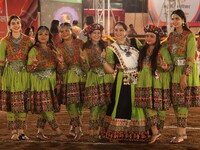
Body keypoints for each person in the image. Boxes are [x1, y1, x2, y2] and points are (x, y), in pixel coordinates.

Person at [100, 22, 148, 142]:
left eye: (121, 30)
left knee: (137, 103)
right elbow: (110, 70)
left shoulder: (135, 42)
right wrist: (103, 61)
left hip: (137, 78)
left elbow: (144, 57)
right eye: (116, 30)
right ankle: (118, 133)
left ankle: (138, 132)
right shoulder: (111, 48)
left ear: (126, 31)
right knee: (122, 103)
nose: (118, 33)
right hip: (122, 78)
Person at [27, 26, 66, 140]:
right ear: (37, 36)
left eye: (45, 34)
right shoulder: (34, 50)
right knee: (47, 107)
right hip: (39, 82)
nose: (43, 36)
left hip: (51, 82)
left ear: (49, 36)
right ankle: (58, 131)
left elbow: (61, 70)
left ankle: (40, 131)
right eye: (40, 34)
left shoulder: (54, 50)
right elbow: (29, 68)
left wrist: (61, 62)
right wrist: (34, 64)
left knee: (44, 108)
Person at [135, 24, 173, 144]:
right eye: (147, 36)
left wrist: (165, 66)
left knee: (160, 109)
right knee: (147, 107)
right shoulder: (143, 50)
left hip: (159, 83)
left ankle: (157, 131)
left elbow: (171, 66)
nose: (148, 38)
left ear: (157, 38)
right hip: (144, 82)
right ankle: (155, 131)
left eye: (151, 36)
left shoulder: (162, 50)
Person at [167, 9, 200, 143]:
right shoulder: (171, 36)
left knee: (182, 104)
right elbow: (166, 52)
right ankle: (182, 133)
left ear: (183, 20)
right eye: (173, 19)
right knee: (176, 103)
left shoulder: (189, 36)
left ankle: (180, 134)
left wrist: (184, 75)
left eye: (177, 19)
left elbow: (191, 57)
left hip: (185, 72)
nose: (174, 21)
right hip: (174, 71)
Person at [0, 15, 32, 140]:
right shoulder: (4, 41)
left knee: (24, 103)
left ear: (21, 25)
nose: (16, 25)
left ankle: (22, 131)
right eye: (13, 23)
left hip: (24, 74)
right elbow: (1, 62)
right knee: (12, 103)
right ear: (9, 26)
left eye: (17, 23)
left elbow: (32, 57)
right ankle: (14, 131)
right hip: (10, 74)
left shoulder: (29, 40)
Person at [83, 23, 114, 141]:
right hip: (93, 79)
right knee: (94, 107)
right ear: (90, 35)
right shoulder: (85, 48)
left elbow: (111, 64)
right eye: (94, 33)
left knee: (104, 107)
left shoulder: (107, 46)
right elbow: (85, 69)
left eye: (98, 33)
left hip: (106, 79)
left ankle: (101, 131)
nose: (96, 35)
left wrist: (104, 60)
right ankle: (92, 132)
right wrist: (83, 61)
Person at [56, 22, 88, 140]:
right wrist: (61, 63)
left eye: (66, 30)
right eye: (62, 31)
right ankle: (78, 128)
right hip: (69, 78)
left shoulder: (80, 43)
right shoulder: (58, 47)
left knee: (80, 104)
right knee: (71, 104)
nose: (64, 33)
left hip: (82, 77)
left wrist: (83, 61)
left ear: (71, 31)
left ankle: (73, 126)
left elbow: (86, 63)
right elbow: (62, 70)